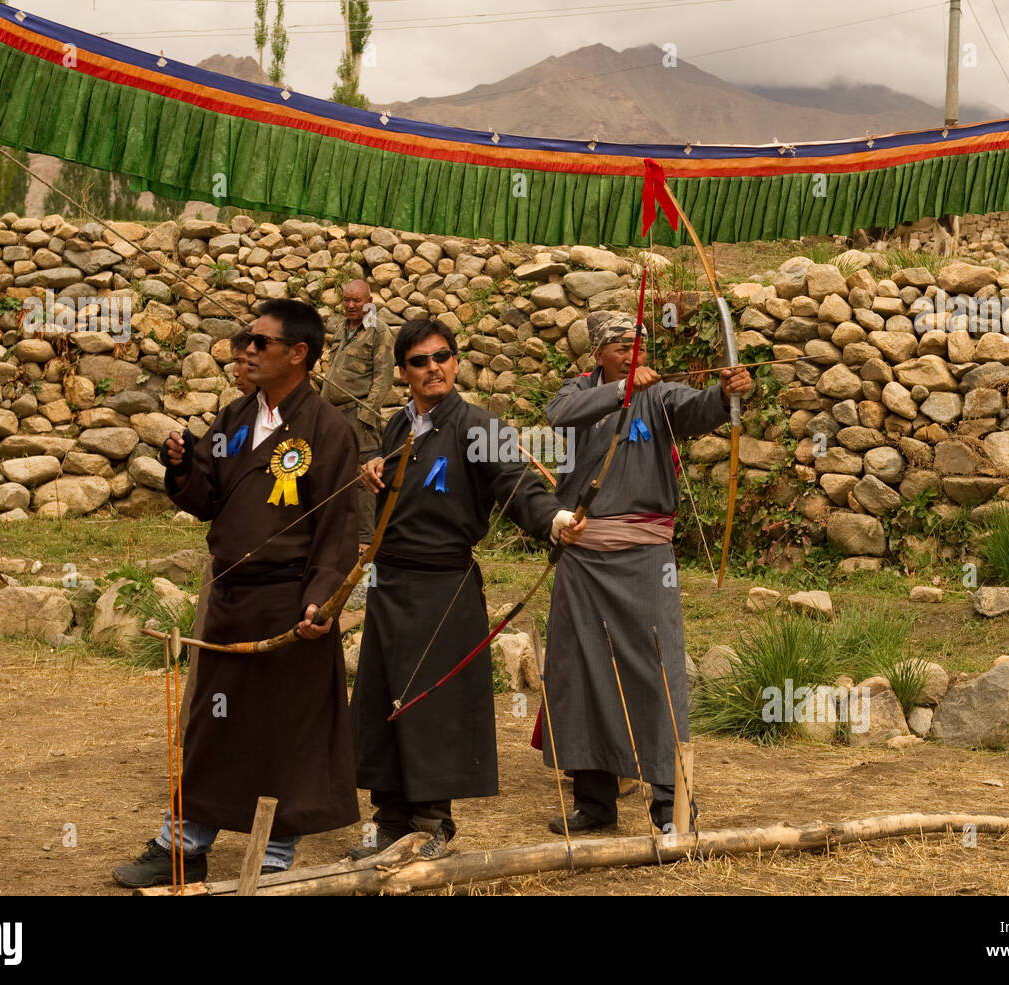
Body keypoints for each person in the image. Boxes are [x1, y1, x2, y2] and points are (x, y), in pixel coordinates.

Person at [112, 299, 360, 888]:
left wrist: (322, 601)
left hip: (289, 600)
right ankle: (185, 845)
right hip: (229, 599)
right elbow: (208, 498)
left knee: (285, 729)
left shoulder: (328, 429)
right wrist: (180, 467)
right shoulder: (235, 417)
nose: (246, 350)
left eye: (260, 343)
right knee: (212, 722)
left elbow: (339, 531)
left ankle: (273, 863)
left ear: (297, 354)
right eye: (246, 340)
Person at [349, 319, 584, 861]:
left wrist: (555, 520)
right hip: (390, 584)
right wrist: (375, 474)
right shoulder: (396, 428)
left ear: (455, 363)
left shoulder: (480, 426)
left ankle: (432, 825)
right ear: (402, 373)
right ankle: (389, 824)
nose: (433, 367)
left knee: (433, 706)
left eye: (442, 357)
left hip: (442, 586)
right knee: (385, 701)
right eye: (419, 361)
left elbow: (516, 484)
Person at [540, 310, 752, 835]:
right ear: (598, 354)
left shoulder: (659, 396)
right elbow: (559, 415)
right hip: (583, 557)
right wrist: (619, 391)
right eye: (620, 347)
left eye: (637, 344)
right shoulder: (578, 391)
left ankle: (668, 804)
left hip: (645, 561)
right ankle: (595, 803)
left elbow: (700, 408)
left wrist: (729, 395)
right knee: (581, 669)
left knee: (656, 673)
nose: (633, 353)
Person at [178, 328, 257, 740]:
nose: (238, 371)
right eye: (236, 362)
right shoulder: (232, 416)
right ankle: (200, 750)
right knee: (209, 662)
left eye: (246, 362)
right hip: (225, 566)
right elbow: (206, 483)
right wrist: (183, 462)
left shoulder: (312, 425)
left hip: (279, 578)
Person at [321, 279, 395, 549]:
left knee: (364, 477)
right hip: (334, 413)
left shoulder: (378, 330)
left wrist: (366, 415)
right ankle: (339, 532)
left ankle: (366, 540)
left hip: (359, 414)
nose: (351, 305)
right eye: (347, 300)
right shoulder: (343, 327)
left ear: (370, 301)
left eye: (357, 301)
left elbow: (383, 377)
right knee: (334, 471)